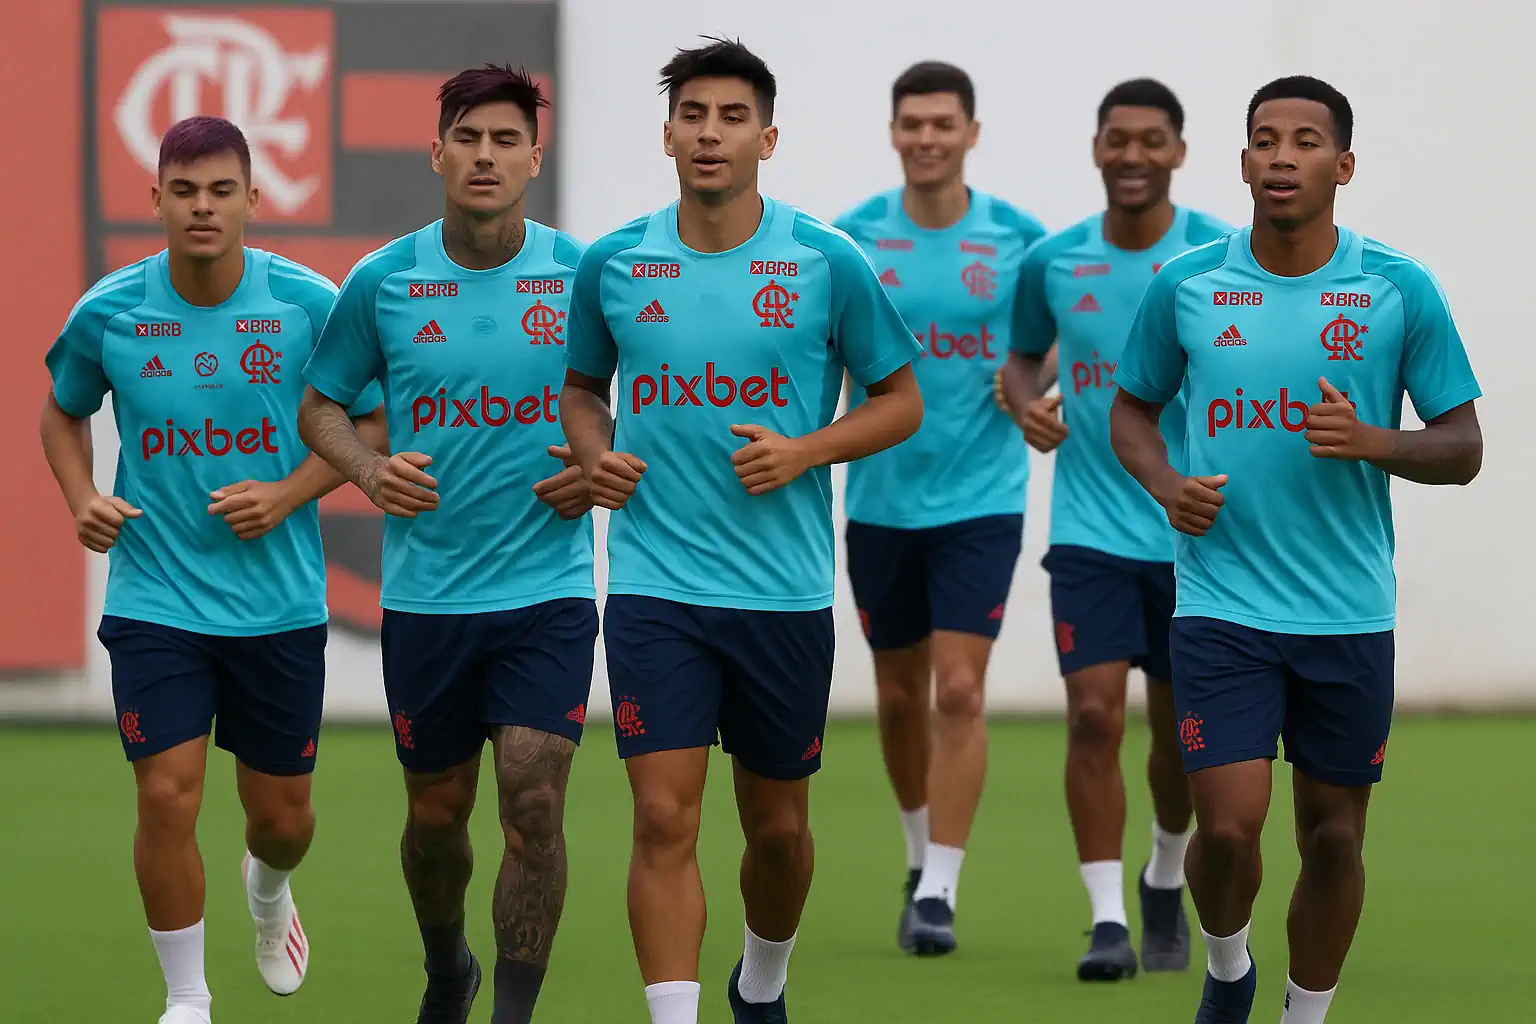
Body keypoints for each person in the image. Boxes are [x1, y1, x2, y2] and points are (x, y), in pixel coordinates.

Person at [560, 37, 923, 1024]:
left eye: (730, 118)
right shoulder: (615, 261)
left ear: (767, 136)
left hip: (782, 593)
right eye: (693, 115)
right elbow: (583, 390)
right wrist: (596, 451)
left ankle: (761, 980)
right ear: (667, 133)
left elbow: (900, 400)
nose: (709, 134)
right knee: (664, 815)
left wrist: (807, 449)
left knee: (777, 829)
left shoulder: (825, 261)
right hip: (653, 588)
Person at [1109, 76, 1482, 1024]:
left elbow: (1463, 446)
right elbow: (1132, 413)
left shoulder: (1399, 288)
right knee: (1228, 832)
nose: (1282, 156)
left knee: (1333, 843)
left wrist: (1379, 443)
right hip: (1221, 605)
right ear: (1241, 162)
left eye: (1306, 141)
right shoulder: (1186, 284)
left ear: (1343, 165)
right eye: (1265, 139)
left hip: (1347, 613)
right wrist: (1166, 487)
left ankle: (1303, 1014)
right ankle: (1228, 965)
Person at [39, 115, 386, 1024]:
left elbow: (373, 426)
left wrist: (288, 491)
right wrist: (82, 497)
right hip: (155, 595)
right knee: (165, 793)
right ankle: (187, 1000)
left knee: (284, 822)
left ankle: (268, 893)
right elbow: (61, 412)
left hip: (276, 606)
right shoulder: (110, 310)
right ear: (155, 198)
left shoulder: (308, 304)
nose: (202, 207)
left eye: (220, 190)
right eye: (184, 191)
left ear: (252, 200)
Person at [297, 66, 596, 1024]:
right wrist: (369, 472)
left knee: (533, 802)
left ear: (534, 160)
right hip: (429, 601)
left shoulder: (583, 277)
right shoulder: (383, 281)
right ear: (436, 153)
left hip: (547, 588)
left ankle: (513, 1011)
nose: (485, 155)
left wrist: (601, 462)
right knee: (436, 818)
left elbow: (636, 405)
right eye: (467, 137)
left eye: (506, 140)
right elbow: (319, 406)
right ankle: (445, 972)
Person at [998, 78, 1231, 981]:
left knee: (1178, 740)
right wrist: (1029, 407)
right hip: (1089, 531)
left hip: (1194, 537)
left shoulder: (1219, 256)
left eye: (1152, 141)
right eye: (1117, 140)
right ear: (1097, 149)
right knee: (1094, 716)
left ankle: (1165, 877)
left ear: (1178, 151)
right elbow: (1021, 360)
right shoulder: (1052, 261)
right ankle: (1106, 920)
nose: (1133, 156)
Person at [832, 60, 1046, 956]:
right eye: (912, 123)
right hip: (879, 500)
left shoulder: (1020, 241)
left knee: (958, 689)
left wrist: (1033, 393)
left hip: (981, 498)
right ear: (893, 133)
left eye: (943, 123)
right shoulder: (848, 242)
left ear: (970, 133)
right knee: (895, 694)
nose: (927, 138)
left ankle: (941, 891)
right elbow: (821, 358)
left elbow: (1044, 350)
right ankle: (917, 853)